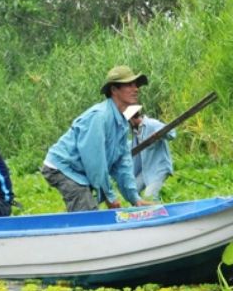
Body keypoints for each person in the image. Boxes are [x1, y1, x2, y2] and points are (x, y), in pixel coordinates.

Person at [42, 65, 153, 212]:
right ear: (114, 90)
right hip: (63, 167)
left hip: (80, 170)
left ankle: (67, 229)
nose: (136, 89)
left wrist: (135, 198)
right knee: (88, 212)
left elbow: (122, 164)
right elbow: (95, 163)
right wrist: (109, 197)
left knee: (83, 207)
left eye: (136, 85)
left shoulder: (121, 122)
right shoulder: (100, 117)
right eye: (129, 85)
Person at [124, 105, 176, 202]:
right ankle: (138, 213)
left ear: (131, 119)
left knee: (149, 196)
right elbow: (132, 146)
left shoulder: (152, 124)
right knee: (131, 192)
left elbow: (172, 133)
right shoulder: (136, 132)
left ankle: (155, 213)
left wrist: (160, 134)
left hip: (158, 168)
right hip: (146, 170)